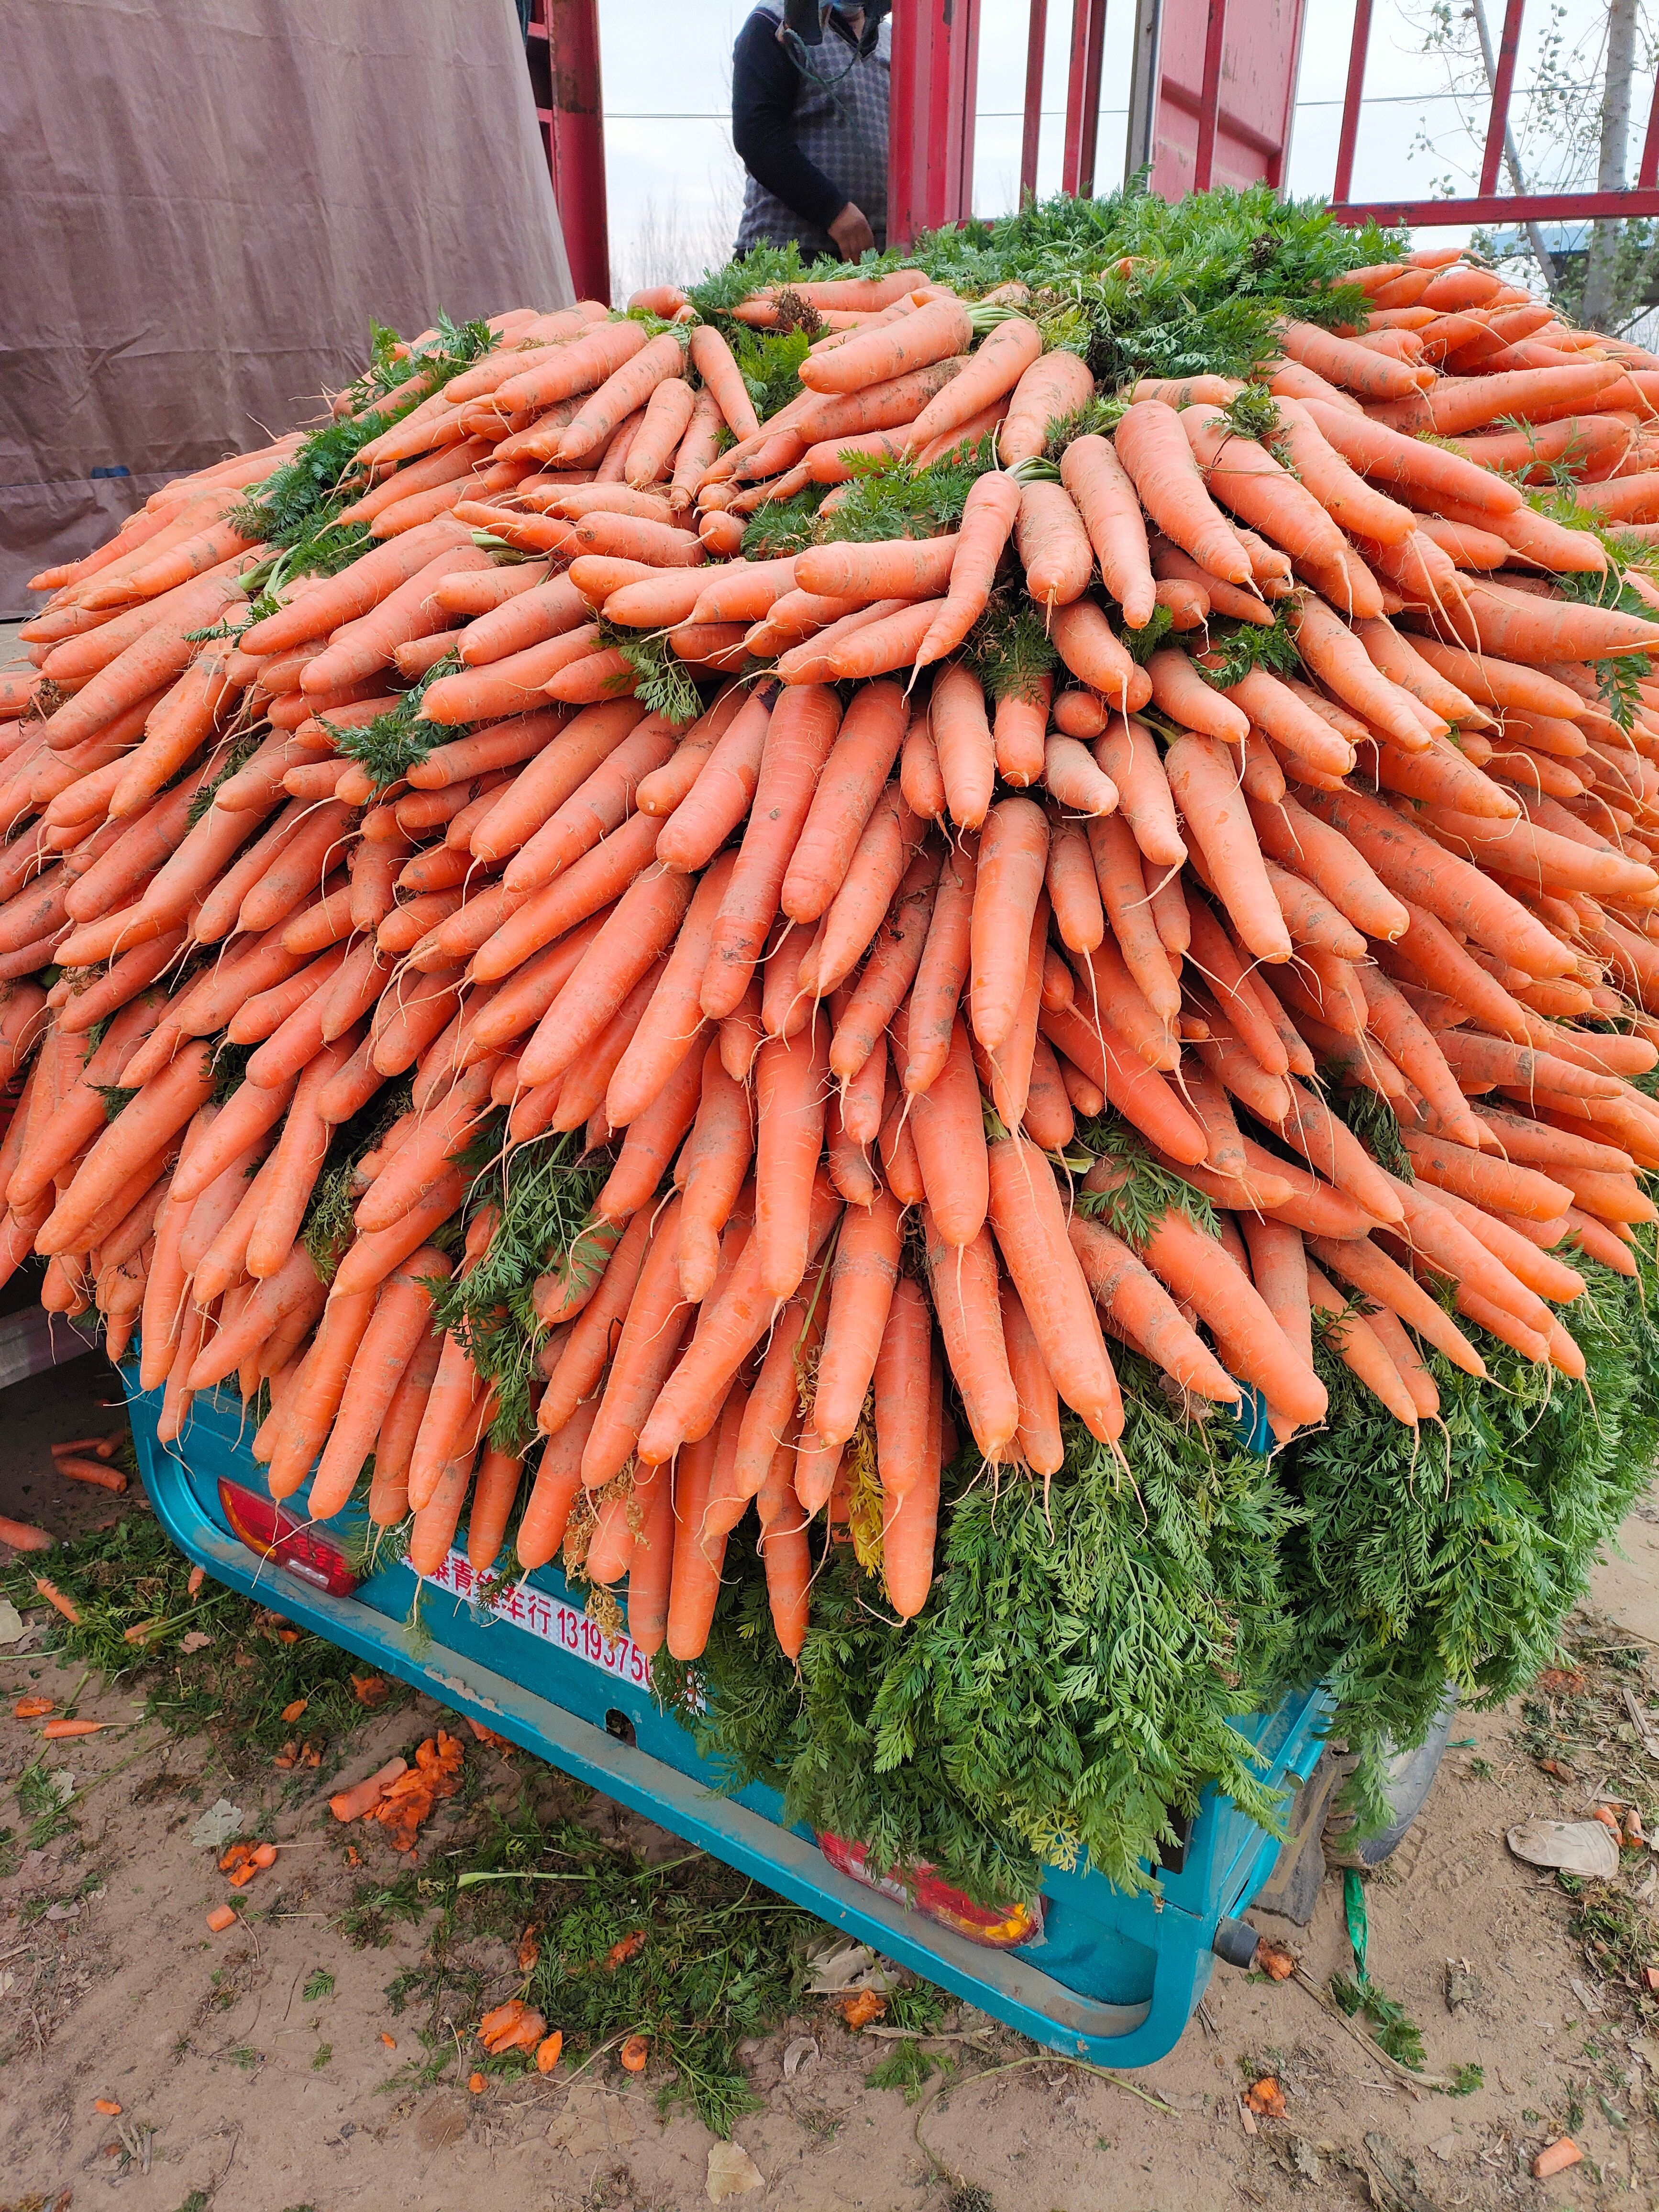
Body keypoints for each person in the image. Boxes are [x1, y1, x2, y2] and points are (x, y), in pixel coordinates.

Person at [731, 1, 892, 267]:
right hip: (786, 257)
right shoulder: (775, 23)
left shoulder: (893, 42)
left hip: (874, 260)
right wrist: (833, 211)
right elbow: (757, 134)